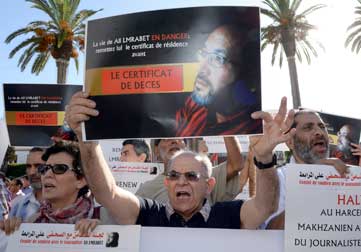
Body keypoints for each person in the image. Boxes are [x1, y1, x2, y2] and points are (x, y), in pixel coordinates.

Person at [65, 94, 298, 228]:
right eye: (174, 176)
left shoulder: (229, 215)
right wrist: (87, 140)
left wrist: (265, 157)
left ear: (209, 185)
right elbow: (108, 194)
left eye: (192, 176)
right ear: (166, 184)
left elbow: (265, 206)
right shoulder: (147, 213)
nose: (181, 182)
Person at [263, 109, 361, 229]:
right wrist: (316, 183)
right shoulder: (277, 180)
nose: (319, 132)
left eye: (322, 127)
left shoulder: (342, 173)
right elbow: (270, 230)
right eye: (308, 128)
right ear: (290, 142)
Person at [0, 143, 113, 235]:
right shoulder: (32, 221)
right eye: (45, 168)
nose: (47, 174)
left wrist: (102, 233)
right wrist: (13, 233)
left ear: (81, 180)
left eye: (59, 168)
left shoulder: (105, 218)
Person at [175, 25, 262, 137]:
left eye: (217, 58)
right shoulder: (193, 104)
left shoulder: (256, 129)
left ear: (244, 71)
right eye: (204, 53)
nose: (202, 69)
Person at [135, 137, 243, 205]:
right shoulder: (146, 190)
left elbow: (236, 165)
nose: (174, 141)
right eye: (166, 138)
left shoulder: (206, 176)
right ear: (156, 150)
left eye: (180, 137)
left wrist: (226, 126)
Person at [9, 147, 45, 221]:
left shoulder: (66, 204)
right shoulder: (17, 204)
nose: (32, 172)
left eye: (38, 166)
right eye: (28, 166)